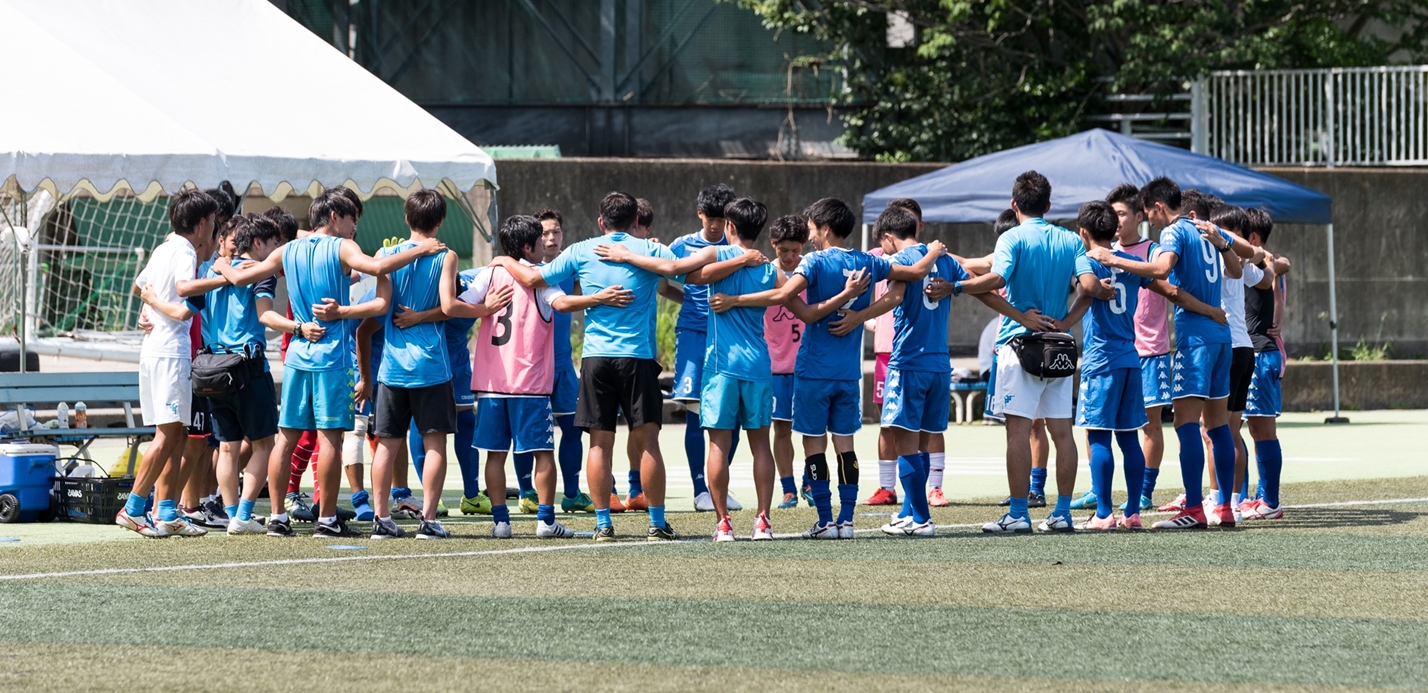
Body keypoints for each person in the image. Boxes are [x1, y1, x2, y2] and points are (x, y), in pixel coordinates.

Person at [492, 192, 742, 541]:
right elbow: (696, 276)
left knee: (599, 443)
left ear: (600, 222)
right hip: (637, 359)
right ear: (635, 222)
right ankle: (656, 522)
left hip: (596, 359)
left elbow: (535, 279)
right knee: (649, 442)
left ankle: (603, 524)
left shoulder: (581, 249)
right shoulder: (651, 250)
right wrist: (738, 259)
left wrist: (503, 260)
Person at [212, 188, 445, 538]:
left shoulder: (287, 249)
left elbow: (243, 278)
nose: (354, 226)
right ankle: (326, 519)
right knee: (331, 440)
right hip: (331, 357)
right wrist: (422, 249)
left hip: (297, 357)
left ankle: (277, 517)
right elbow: (378, 267)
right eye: (352, 218)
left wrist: (221, 265)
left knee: (285, 440)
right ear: (334, 217)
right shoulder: (340, 247)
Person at [711, 197, 944, 540]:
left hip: (814, 369)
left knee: (814, 445)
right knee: (845, 446)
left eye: (811, 228)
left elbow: (786, 300)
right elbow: (913, 274)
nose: (808, 235)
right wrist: (933, 252)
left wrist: (733, 300)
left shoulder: (816, 262)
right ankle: (847, 521)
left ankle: (824, 519)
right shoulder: (868, 261)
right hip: (849, 372)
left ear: (826, 229)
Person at [1086, 177, 1255, 529]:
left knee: (1185, 423)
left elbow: (1161, 270)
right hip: (1222, 337)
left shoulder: (1175, 232)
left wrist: (1113, 257)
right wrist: (1223, 244)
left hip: (1195, 340)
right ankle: (1224, 507)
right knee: (1219, 425)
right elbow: (1236, 270)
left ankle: (1194, 508)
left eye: (1150, 214)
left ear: (1160, 208)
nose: (1151, 222)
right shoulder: (1205, 229)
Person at [457, 215, 630, 538]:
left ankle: (501, 523)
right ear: (528, 246)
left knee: (495, 454)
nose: (545, 245)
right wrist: (598, 298)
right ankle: (546, 521)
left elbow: (457, 305)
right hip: (529, 382)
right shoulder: (539, 276)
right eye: (540, 240)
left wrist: (484, 310)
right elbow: (562, 303)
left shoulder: (490, 272)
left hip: (492, 384)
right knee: (542, 453)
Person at [955, 171, 1107, 534]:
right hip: (1058, 345)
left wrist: (959, 287)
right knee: (1062, 432)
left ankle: (1019, 513)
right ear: (1049, 205)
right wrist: (1066, 321)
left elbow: (997, 279)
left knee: (1018, 432)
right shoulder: (1070, 239)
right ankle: (1062, 512)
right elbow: (1088, 286)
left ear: (1014, 205)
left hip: (1018, 345)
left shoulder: (1012, 237)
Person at [832, 205, 968, 537]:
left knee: (904, 441)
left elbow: (893, 297)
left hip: (909, 362)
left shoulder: (902, 262)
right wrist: (957, 287)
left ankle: (921, 520)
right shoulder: (947, 262)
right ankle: (909, 512)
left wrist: (857, 317)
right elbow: (984, 283)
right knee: (921, 443)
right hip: (939, 364)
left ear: (889, 238)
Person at [116, 189, 220, 538]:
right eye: (213, 222)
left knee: (176, 434)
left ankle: (166, 511)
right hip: (170, 352)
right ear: (203, 223)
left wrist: (147, 307)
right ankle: (132, 508)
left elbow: (140, 286)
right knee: (165, 435)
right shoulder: (185, 251)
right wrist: (158, 304)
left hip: (157, 351)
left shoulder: (164, 247)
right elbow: (180, 296)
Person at [686, 198, 780, 541]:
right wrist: (747, 259)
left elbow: (695, 276)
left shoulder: (720, 255)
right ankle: (763, 521)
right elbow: (781, 294)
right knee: (760, 445)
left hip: (721, 366)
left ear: (730, 227)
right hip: (757, 364)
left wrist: (737, 259)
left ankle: (723, 522)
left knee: (718, 446)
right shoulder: (768, 268)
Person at [197, 214, 287, 534]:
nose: (279, 249)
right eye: (275, 243)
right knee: (265, 444)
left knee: (227, 447)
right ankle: (243, 514)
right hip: (247, 367)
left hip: (214, 369)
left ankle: (233, 512)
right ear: (259, 243)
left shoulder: (211, 270)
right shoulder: (258, 273)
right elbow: (265, 315)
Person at [661, 184, 744, 513]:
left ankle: (718, 485)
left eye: (721, 220)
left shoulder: (737, 246)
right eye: (710, 220)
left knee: (731, 413)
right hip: (695, 334)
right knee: (697, 412)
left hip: (731, 335)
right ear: (700, 215)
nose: (715, 226)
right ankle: (700, 489)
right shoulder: (682, 245)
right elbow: (663, 284)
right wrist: (694, 303)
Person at [509, 209, 595, 514]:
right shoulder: (518, 269)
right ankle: (526, 492)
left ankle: (571, 493)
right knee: (526, 434)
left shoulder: (569, 268)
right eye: (544, 233)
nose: (551, 238)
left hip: (562, 367)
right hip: (529, 368)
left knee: (572, 430)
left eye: (556, 232)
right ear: (533, 239)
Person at [1202, 204, 1272, 524]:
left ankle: (1219, 501)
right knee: (1230, 433)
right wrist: (1266, 258)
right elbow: (1266, 273)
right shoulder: (1241, 259)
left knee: (1213, 431)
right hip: (1244, 348)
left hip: (1227, 347)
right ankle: (1232, 503)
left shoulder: (1215, 257)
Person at [1241, 207, 1289, 520]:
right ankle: (1249, 497)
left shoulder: (1260, 264)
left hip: (1260, 353)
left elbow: (1280, 266)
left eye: (1237, 233)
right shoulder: (1264, 264)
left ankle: (1270, 501)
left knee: (1261, 428)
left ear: (1253, 238)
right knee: (1249, 429)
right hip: (1257, 352)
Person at [763, 215, 807, 509]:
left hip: (808, 367)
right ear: (773, 245)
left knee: (813, 429)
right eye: (784, 251)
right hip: (776, 368)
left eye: (795, 251)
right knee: (781, 429)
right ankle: (788, 488)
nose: (790, 257)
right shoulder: (763, 273)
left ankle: (813, 482)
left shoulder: (811, 271)